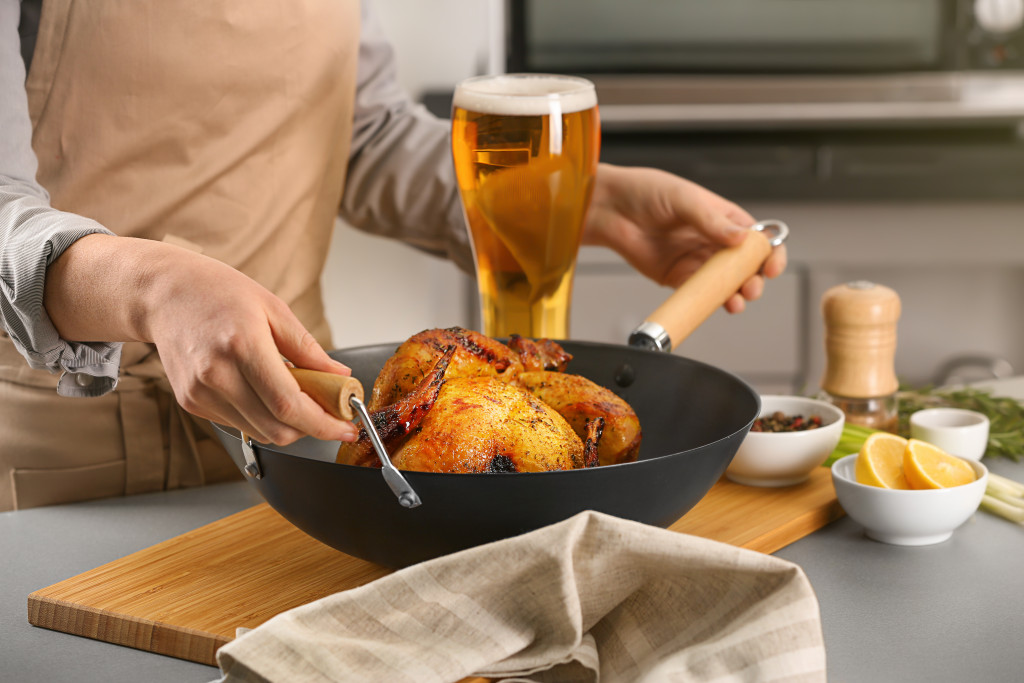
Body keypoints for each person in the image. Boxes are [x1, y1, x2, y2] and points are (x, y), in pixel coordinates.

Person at [0, 0, 786, 511]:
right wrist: (150, 288)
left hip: (302, 458)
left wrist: (585, 199)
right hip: (62, 467)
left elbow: (360, 134)